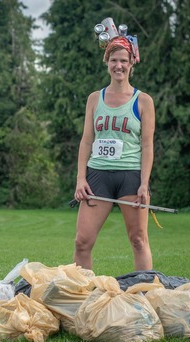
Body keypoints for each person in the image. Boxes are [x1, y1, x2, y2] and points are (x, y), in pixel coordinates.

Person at [73, 35, 156, 271]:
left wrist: (144, 183)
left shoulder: (144, 101)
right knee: (82, 242)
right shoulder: (93, 99)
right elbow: (87, 141)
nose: (118, 65)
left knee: (139, 240)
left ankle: (144, 296)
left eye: (123, 60)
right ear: (106, 61)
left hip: (130, 176)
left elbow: (148, 145)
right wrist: (81, 179)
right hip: (97, 177)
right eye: (113, 60)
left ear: (132, 63)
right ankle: (83, 297)